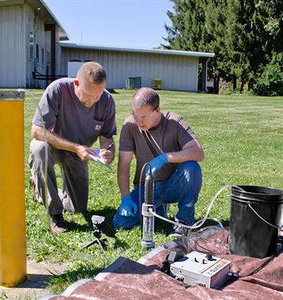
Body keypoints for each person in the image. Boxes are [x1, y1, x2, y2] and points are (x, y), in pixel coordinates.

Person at [29, 61, 116, 234]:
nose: (92, 101)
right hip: (54, 146)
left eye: (97, 96)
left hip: (79, 154)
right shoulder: (57, 90)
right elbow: (37, 131)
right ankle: (54, 214)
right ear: (76, 84)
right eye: (88, 95)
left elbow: (107, 137)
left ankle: (41, 190)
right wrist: (75, 146)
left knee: (77, 208)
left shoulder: (107, 101)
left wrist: (108, 151)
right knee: (39, 148)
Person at [113, 87, 204, 236]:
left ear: (157, 111)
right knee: (121, 223)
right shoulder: (129, 126)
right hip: (146, 187)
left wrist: (165, 158)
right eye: (134, 115)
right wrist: (125, 198)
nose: (138, 121)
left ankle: (184, 222)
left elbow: (198, 153)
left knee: (191, 167)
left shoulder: (174, 122)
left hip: (173, 184)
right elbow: (124, 164)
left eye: (143, 117)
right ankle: (158, 209)